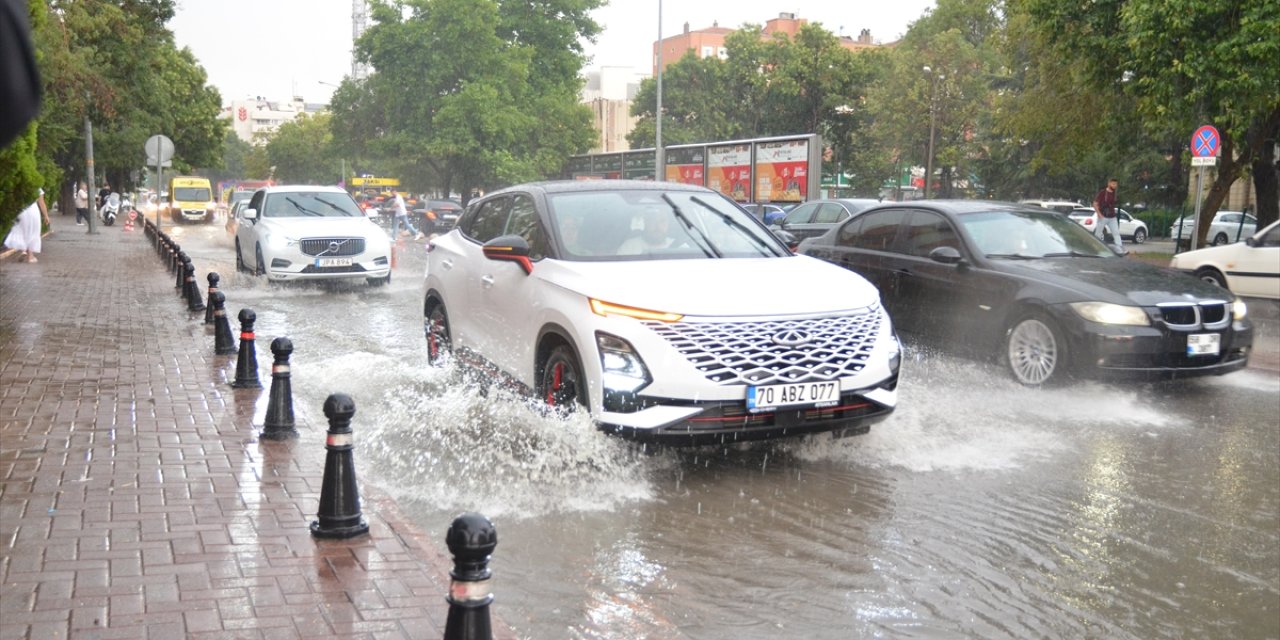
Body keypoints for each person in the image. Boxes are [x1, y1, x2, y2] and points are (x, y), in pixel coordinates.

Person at [4, 188, 50, 262]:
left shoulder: (22, 186)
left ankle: (23, 250)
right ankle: (30, 257)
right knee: (32, 232)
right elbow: (41, 203)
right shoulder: (37, 188)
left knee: (21, 230)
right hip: (33, 211)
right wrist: (46, 216)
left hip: (21, 210)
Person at [1093, 178, 1122, 251]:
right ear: (1109, 183)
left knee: (1116, 233)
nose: (1115, 186)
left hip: (1112, 217)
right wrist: (1099, 214)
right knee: (1098, 234)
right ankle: (1095, 249)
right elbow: (1095, 203)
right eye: (1113, 184)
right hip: (1103, 216)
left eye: (1116, 184)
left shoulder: (1115, 193)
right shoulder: (1102, 193)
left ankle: (1120, 248)